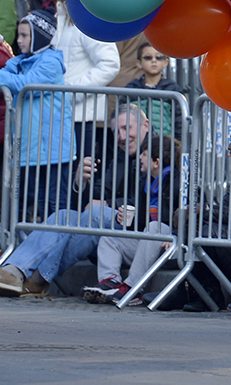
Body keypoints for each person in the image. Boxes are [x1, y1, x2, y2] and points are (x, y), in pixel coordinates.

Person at [0, 104, 150, 298]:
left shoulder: (159, 150)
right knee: (64, 215)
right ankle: (14, 270)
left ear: (145, 125)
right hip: (111, 226)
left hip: (142, 229)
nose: (121, 137)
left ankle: (39, 278)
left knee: (95, 215)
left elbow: (151, 200)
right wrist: (80, 182)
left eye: (126, 128)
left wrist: (109, 204)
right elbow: (94, 198)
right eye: (116, 131)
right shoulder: (119, 154)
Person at [82, 134, 182, 306]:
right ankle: (110, 282)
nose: (140, 158)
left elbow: (188, 215)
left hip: (173, 247)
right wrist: (127, 217)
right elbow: (142, 223)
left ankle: (132, 288)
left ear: (156, 162)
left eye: (144, 154)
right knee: (110, 237)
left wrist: (176, 236)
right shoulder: (147, 183)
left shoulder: (177, 181)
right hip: (151, 244)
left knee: (155, 227)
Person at [1, 9, 74, 219]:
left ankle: (58, 244)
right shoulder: (22, 61)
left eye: (25, 35)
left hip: (52, 147)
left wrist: (7, 77)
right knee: (37, 199)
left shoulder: (50, 62)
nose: (19, 40)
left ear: (39, 37)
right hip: (31, 147)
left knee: (55, 202)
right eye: (19, 34)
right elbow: (7, 71)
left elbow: (26, 85)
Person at [51, 0, 120, 162]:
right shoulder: (56, 19)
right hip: (59, 115)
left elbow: (110, 64)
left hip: (82, 119)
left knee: (81, 176)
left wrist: (72, 92)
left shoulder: (87, 22)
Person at [124, 42, 182, 138]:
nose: (153, 61)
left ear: (165, 62)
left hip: (165, 144)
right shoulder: (132, 88)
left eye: (159, 57)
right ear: (138, 63)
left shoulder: (172, 89)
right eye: (148, 57)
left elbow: (179, 121)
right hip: (137, 143)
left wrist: (178, 144)